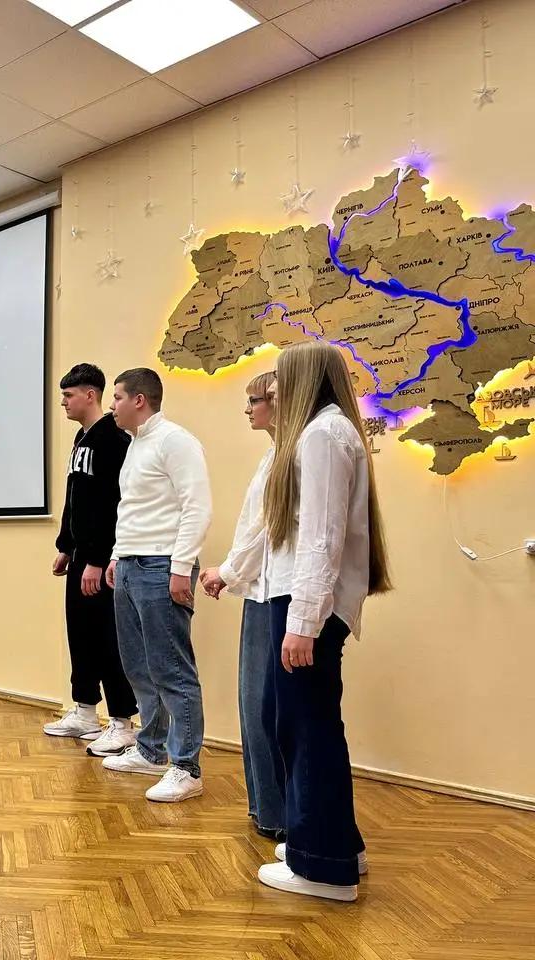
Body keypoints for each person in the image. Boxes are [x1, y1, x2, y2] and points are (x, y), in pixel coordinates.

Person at [255, 341, 390, 902]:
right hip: (307, 603)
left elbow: (321, 537)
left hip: (308, 604)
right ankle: (336, 846)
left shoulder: (321, 436)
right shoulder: (330, 431)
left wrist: (303, 622)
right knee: (311, 725)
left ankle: (320, 869)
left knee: (305, 730)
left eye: (278, 383)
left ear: (304, 380)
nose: (272, 393)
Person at [104, 367, 212, 802]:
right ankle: (150, 750)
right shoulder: (136, 444)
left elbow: (197, 506)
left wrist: (181, 567)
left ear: (139, 400)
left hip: (163, 565)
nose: (112, 406)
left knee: (172, 669)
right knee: (137, 665)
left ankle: (186, 767)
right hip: (131, 565)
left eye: (117, 397)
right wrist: (117, 556)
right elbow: (132, 508)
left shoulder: (175, 441)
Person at [199, 372, 286, 840]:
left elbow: (266, 531)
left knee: (263, 706)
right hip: (260, 591)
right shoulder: (273, 456)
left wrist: (228, 571)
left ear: (278, 400)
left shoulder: (288, 456)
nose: (248, 409)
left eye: (255, 400)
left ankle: (279, 815)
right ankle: (267, 809)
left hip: (273, 593)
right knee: (254, 705)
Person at [43, 363, 139, 756]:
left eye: (68, 396)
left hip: (102, 560)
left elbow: (113, 505)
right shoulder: (81, 438)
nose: (63, 402)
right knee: (80, 635)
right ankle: (84, 711)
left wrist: (98, 560)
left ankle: (122, 722)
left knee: (107, 638)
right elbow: (76, 499)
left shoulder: (113, 439)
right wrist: (66, 546)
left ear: (89, 395)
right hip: (81, 555)